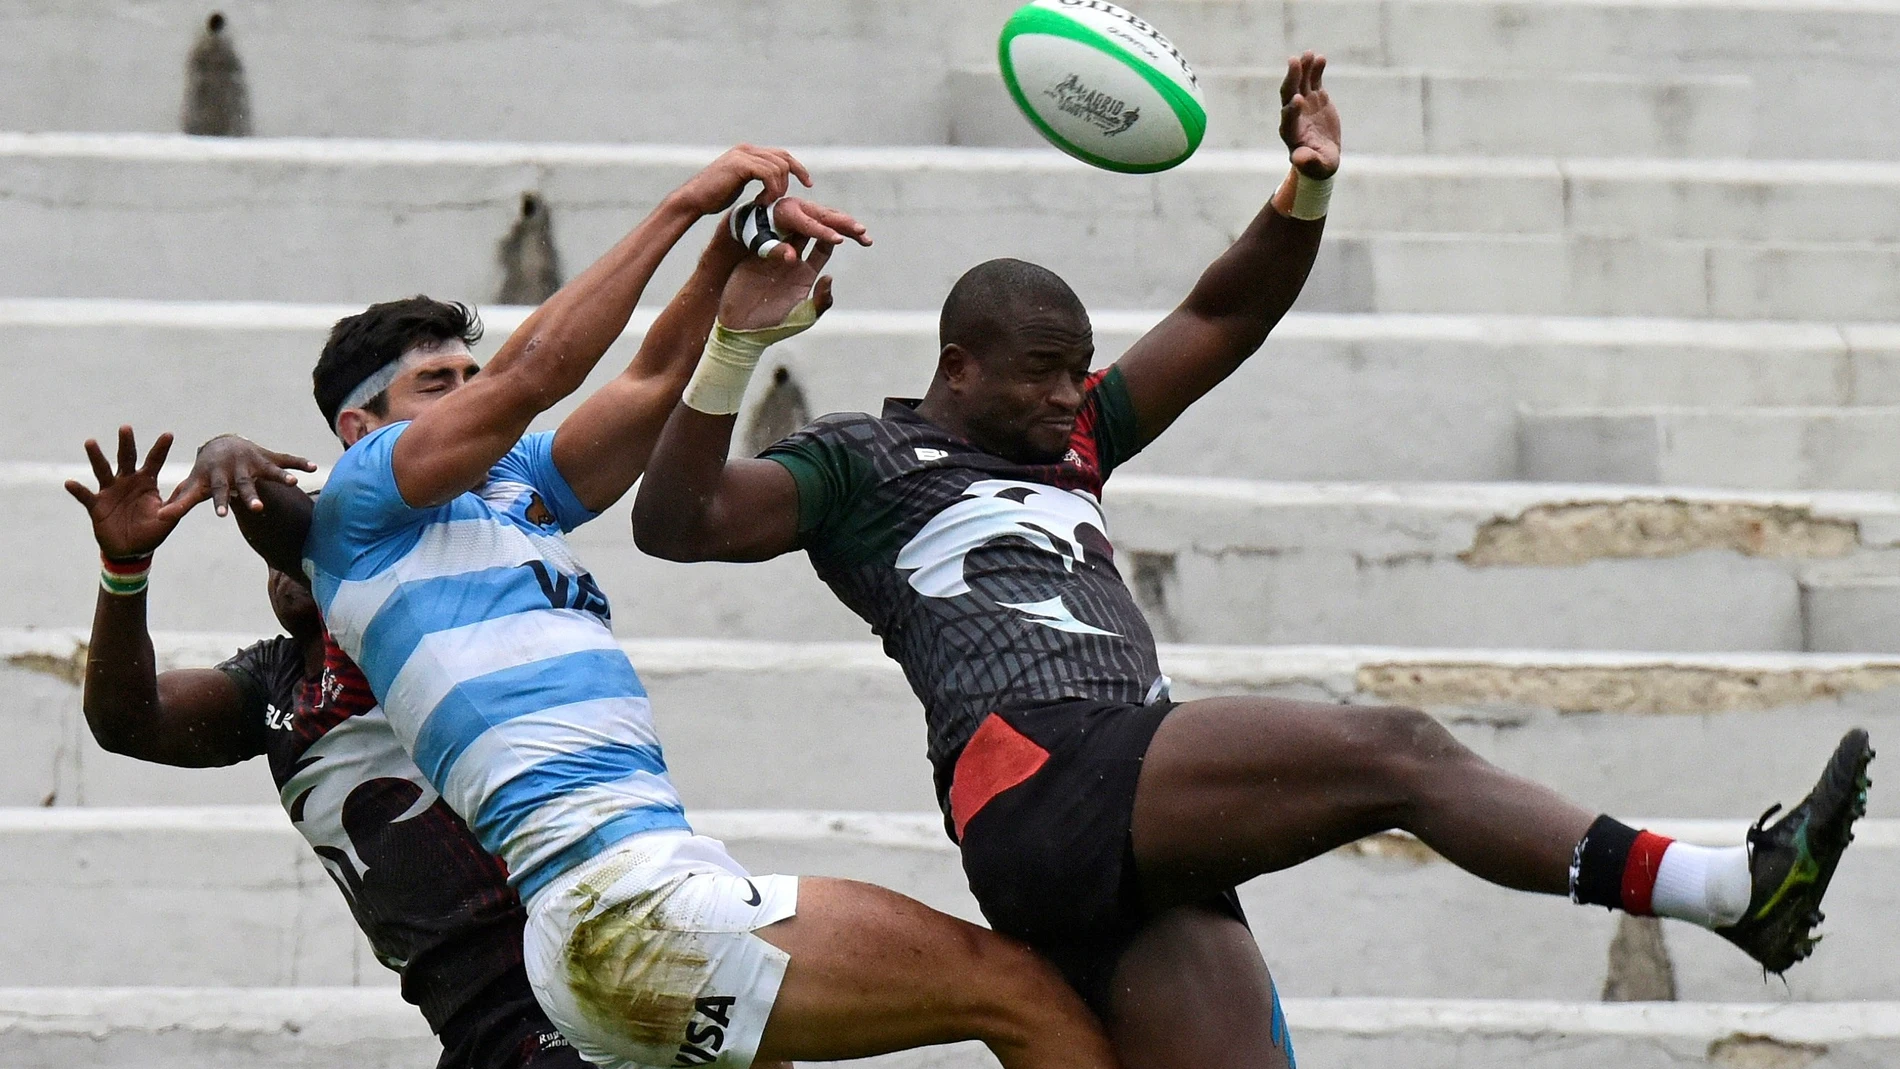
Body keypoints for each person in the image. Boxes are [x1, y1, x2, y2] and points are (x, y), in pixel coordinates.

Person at [628, 54, 1875, 1069]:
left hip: (1134, 801)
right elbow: (675, 523)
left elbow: (1222, 315)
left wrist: (1305, 190)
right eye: (1043, 370)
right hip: (1045, 777)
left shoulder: (1074, 443)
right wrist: (734, 348)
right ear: (959, 366)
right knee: (1395, 751)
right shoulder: (863, 463)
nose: (1074, 394)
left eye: (1082, 368)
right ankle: (1721, 886)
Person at [267, 145, 1121, 1069]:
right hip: (626, 904)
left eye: (470, 378)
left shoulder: (515, 489)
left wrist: (728, 263)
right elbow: (535, 374)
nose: (472, 398)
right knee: (1023, 992)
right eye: (438, 386)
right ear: (357, 429)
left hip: (622, 919)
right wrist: (680, 205)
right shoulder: (357, 509)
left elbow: (641, 384)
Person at [66, 427, 589, 1069]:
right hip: (469, 1015)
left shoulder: (420, 626)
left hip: (555, 981)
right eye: (270, 557)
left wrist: (236, 454)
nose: (283, 567)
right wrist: (125, 570)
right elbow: (126, 722)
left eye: (300, 542)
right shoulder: (274, 680)